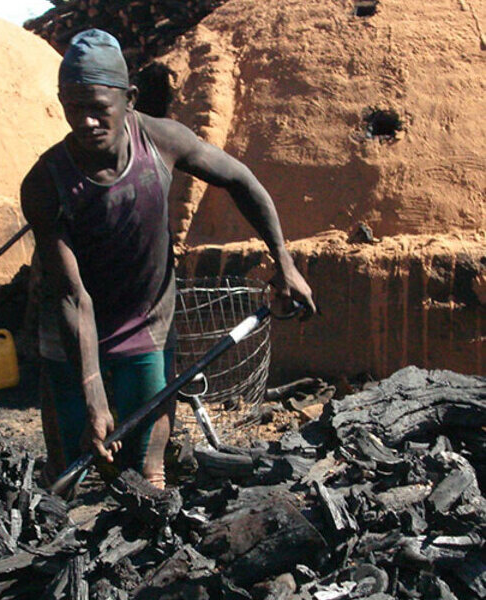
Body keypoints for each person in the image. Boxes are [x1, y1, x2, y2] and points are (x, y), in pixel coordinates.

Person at [21, 29, 316, 490]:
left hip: (145, 320)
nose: (86, 122)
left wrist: (284, 261)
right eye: (73, 107)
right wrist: (94, 391)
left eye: (99, 108)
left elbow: (240, 180)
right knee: (70, 467)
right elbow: (70, 294)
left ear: (130, 99)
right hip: (71, 327)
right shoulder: (45, 182)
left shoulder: (162, 141)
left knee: (145, 468)